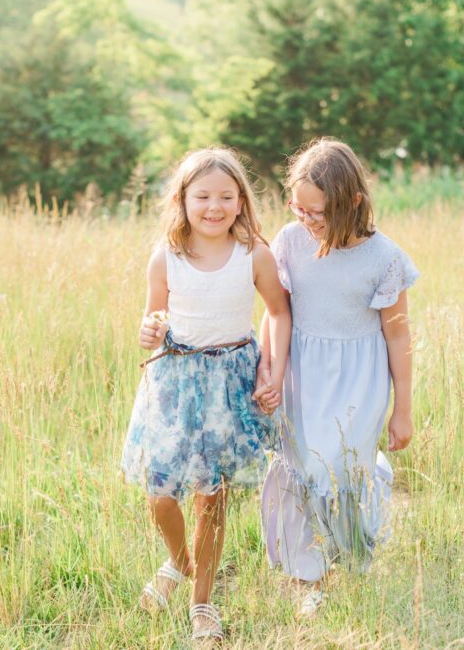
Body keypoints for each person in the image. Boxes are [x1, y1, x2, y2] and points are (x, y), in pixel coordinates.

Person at [120, 147, 291, 643]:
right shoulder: (166, 255)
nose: (213, 206)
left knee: (210, 498)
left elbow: (279, 312)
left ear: (241, 201)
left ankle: (202, 600)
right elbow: (155, 317)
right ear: (183, 200)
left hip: (229, 382)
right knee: (160, 494)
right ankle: (178, 562)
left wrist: (271, 370)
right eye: (202, 196)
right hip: (174, 381)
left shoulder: (253, 254)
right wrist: (148, 331)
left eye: (225, 196)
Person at [255, 137, 418, 616]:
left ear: (352, 203)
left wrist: (402, 409)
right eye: (298, 209)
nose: (306, 221)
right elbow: (274, 312)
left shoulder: (382, 258)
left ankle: (351, 550)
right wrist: (269, 367)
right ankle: (310, 575)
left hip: (358, 379)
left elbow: (398, 339)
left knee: (341, 468)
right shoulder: (289, 241)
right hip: (302, 374)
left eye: (317, 213)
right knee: (301, 467)